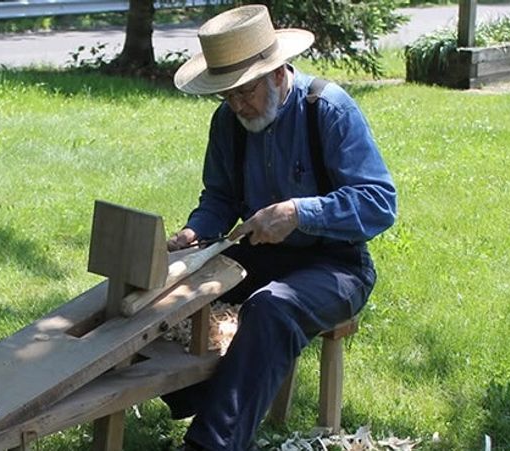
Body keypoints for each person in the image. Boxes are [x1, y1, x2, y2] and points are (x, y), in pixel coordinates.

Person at [164, 5, 397, 451]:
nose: (238, 105)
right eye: (226, 95)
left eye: (245, 91)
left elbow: (379, 203)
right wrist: (195, 233)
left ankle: (212, 444)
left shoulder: (328, 109)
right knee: (174, 296)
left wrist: (300, 213)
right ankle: (202, 399)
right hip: (260, 254)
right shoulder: (228, 121)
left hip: (337, 265)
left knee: (270, 308)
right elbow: (219, 198)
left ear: (276, 73)